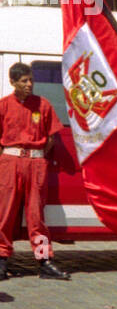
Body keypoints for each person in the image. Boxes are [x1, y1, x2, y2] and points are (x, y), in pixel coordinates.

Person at [0, 63, 70, 280]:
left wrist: (36, 157)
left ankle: (44, 261)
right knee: (5, 214)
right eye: (24, 81)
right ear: (12, 82)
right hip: (10, 163)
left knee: (36, 216)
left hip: (36, 163)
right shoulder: (3, 106)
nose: (29, 85)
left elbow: (50, 139)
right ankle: (1, 259)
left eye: (31, 80)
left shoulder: (43, 105)